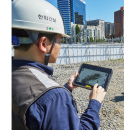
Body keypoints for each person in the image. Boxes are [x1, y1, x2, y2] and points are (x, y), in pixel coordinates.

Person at [11, 0, 106, 129]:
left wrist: (66, 88)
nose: (60, 46)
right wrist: (94, 103)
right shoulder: (56, 97)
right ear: (44, 43)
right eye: (59, 41)